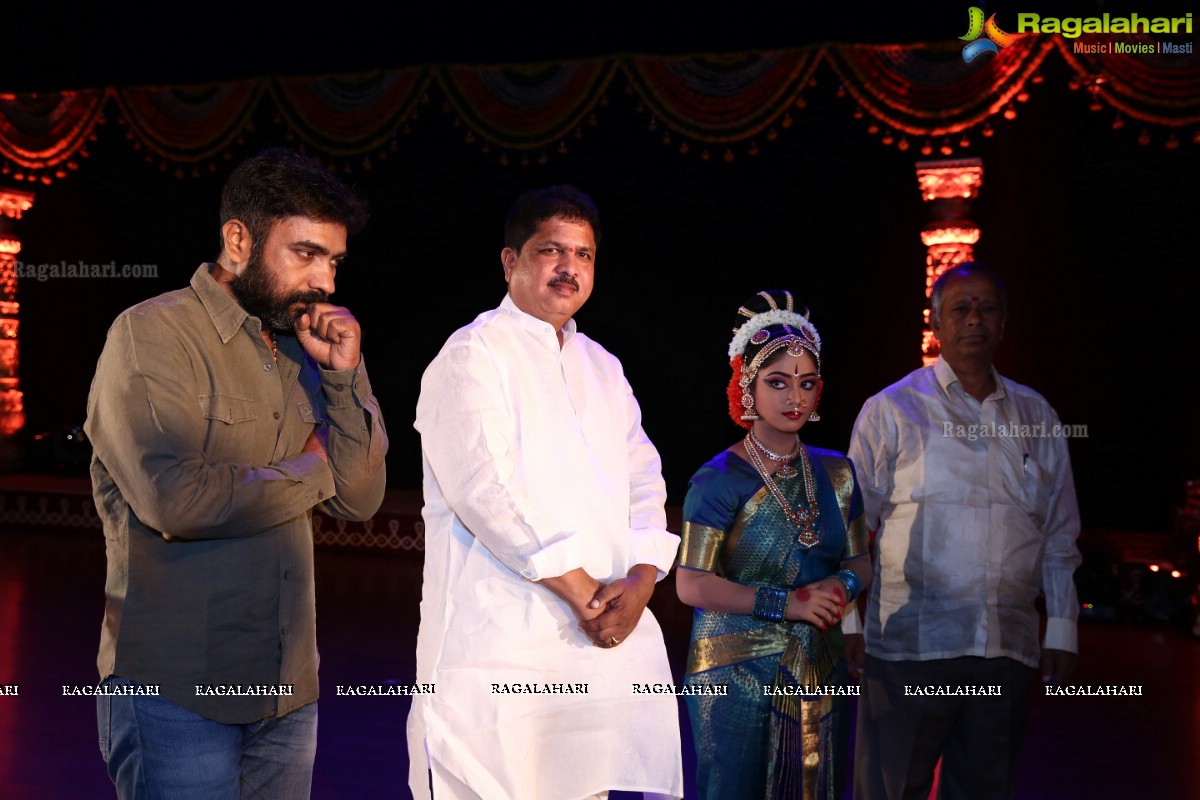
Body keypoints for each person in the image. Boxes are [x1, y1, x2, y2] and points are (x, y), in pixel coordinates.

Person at [85, 147, 388, 799]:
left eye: (332, 261)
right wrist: (314, 466)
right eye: (305, 253)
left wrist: (343, 375)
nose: (326, 283)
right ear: (238, 240)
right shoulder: (151, 336)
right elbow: (176, 502)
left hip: (289, 691)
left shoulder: (309, 345)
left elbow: (361, 498)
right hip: (175, 693)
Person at [407, 185, 683, 800]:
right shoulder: (473, 354)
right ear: (510, 262)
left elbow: (645, 480)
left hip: (602, 638)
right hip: (506, 641)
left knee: (587, 787)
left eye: (583, 254)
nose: (569, 267)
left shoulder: (604, 367)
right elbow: (484, 490)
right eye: (550, 251)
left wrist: (640, 582)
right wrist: (585, 593)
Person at [847, 262, 1081, 800]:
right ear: (934, 322)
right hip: (910, 649)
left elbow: (1059, 532)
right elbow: (852, 528)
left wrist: (1063, 627)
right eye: (960, 308)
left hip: (1006, 648)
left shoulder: (1036, 416)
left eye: (987, 308)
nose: (974, 319)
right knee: (889, 788)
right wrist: (847, 623)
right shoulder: (892, 411)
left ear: (1004, 323)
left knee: (985, 788)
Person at [676, 289, 871, 800]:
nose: (795, 398)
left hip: (817, 662)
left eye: (807, 384)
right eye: (777, 383)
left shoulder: (838, 472)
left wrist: (841, 585)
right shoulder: (717, 479)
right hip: (731, 666)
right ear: (747, 387)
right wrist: (788, 602)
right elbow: (691, 585)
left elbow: (860, 560)